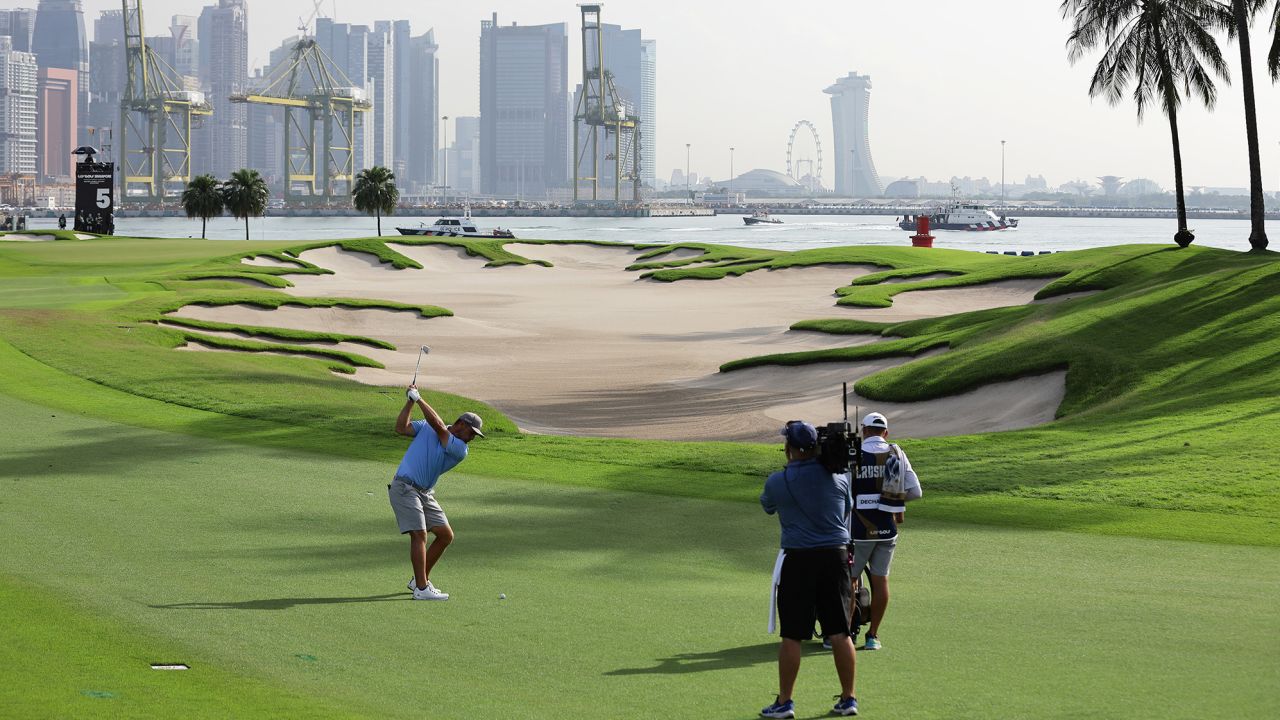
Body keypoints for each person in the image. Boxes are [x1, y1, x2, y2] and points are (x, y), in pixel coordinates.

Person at [760, 421, 859, 718]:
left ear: (789, 449)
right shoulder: (840, 477)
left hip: (799, 560)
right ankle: (848, 698)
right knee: (841, 632)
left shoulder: (778, 480)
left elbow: (767, 506)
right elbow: (846, 509)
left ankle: (785, 702)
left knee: (792, 635)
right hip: (835, 559)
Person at [388, 383, 484, 601]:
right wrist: (410, 401)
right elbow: (401, 428)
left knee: (445, 535)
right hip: (404, 487)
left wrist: (419, 398)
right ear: (461, 424)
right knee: (419, 534)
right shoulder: (427, 427)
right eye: (472, 432)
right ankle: (421, 588)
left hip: (424, 493)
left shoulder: (460, 449)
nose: (473, 438)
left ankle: (418, 580)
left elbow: (440, 426)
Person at [849, 412, 922, 651]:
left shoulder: (854, 455)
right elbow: (916, 492)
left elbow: (843, 491)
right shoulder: (897, 454)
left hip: (857, 530)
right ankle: (873, 636)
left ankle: (846, 636)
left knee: (849, 582)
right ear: (886, 433)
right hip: (887, 529)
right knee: (881, 581)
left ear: (863, 431)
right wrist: (892, 502)